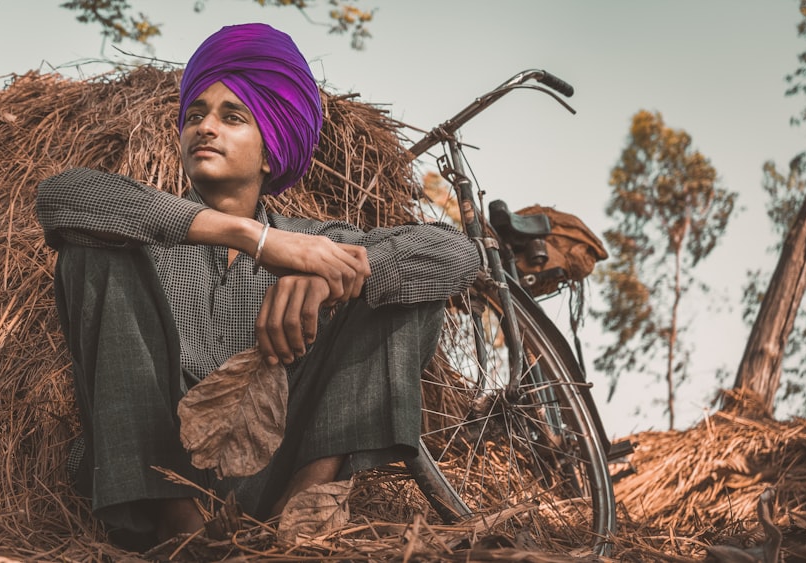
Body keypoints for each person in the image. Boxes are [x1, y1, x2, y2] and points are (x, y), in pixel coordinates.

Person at [36, 22, 481, 551]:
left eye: (232, 116)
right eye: (195, 114)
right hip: (156, 469)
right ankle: (179, 528)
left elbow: (454, 254)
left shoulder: (317, 243)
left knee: (399, 282)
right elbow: (62, 196)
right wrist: (258, 239)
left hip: (279, 467)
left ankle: (304, 514)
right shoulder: (145, 235)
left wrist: (330, 281)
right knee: (89, 249)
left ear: (270, 154)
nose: (205, 127)